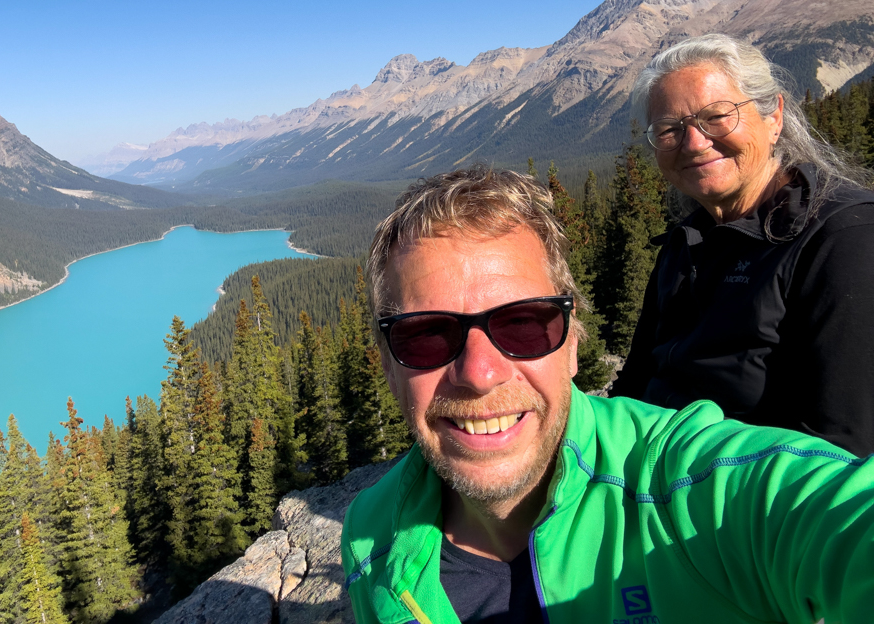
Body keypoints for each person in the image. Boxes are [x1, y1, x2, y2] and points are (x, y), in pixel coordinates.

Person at [341, 164, 874, 624]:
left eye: (524, 324)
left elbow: (840, 517)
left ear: (572, 342)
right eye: (427, 334)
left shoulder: (687, 488)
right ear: (389, 362)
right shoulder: (370, 534)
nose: (480, 373)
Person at [609, 34, 874, 457]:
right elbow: (635, 384)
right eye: (670, 130)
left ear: (774, 118)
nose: (694, 142)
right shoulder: (685, 243)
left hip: (748, 512)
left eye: (717, 116)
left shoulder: (844, 238)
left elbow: (842, 449)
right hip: (648, 487)